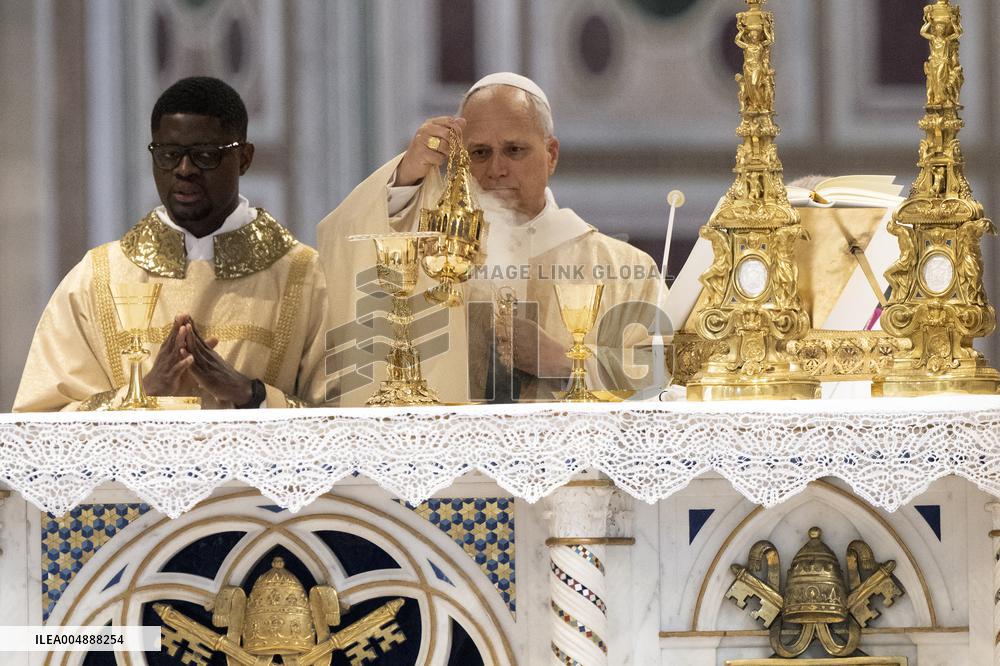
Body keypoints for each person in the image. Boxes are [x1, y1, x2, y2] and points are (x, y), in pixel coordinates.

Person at [318, 72, 665, 404]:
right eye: (479, 153)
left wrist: (565, 362)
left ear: (552, 155)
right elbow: (349, 242)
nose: (496, 168)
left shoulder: (621, 268)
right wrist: (407, 175)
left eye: (514, 150)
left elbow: (667, 376)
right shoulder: (438, 259)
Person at [14, 77, 328, 411]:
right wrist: (145, 391)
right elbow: (41, 423)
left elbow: (345, 424)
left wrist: (250, 395)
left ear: (244, 158)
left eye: (205, 155)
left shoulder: (304, 277)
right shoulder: (98, 279)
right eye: (168, 155)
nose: (184, 169)